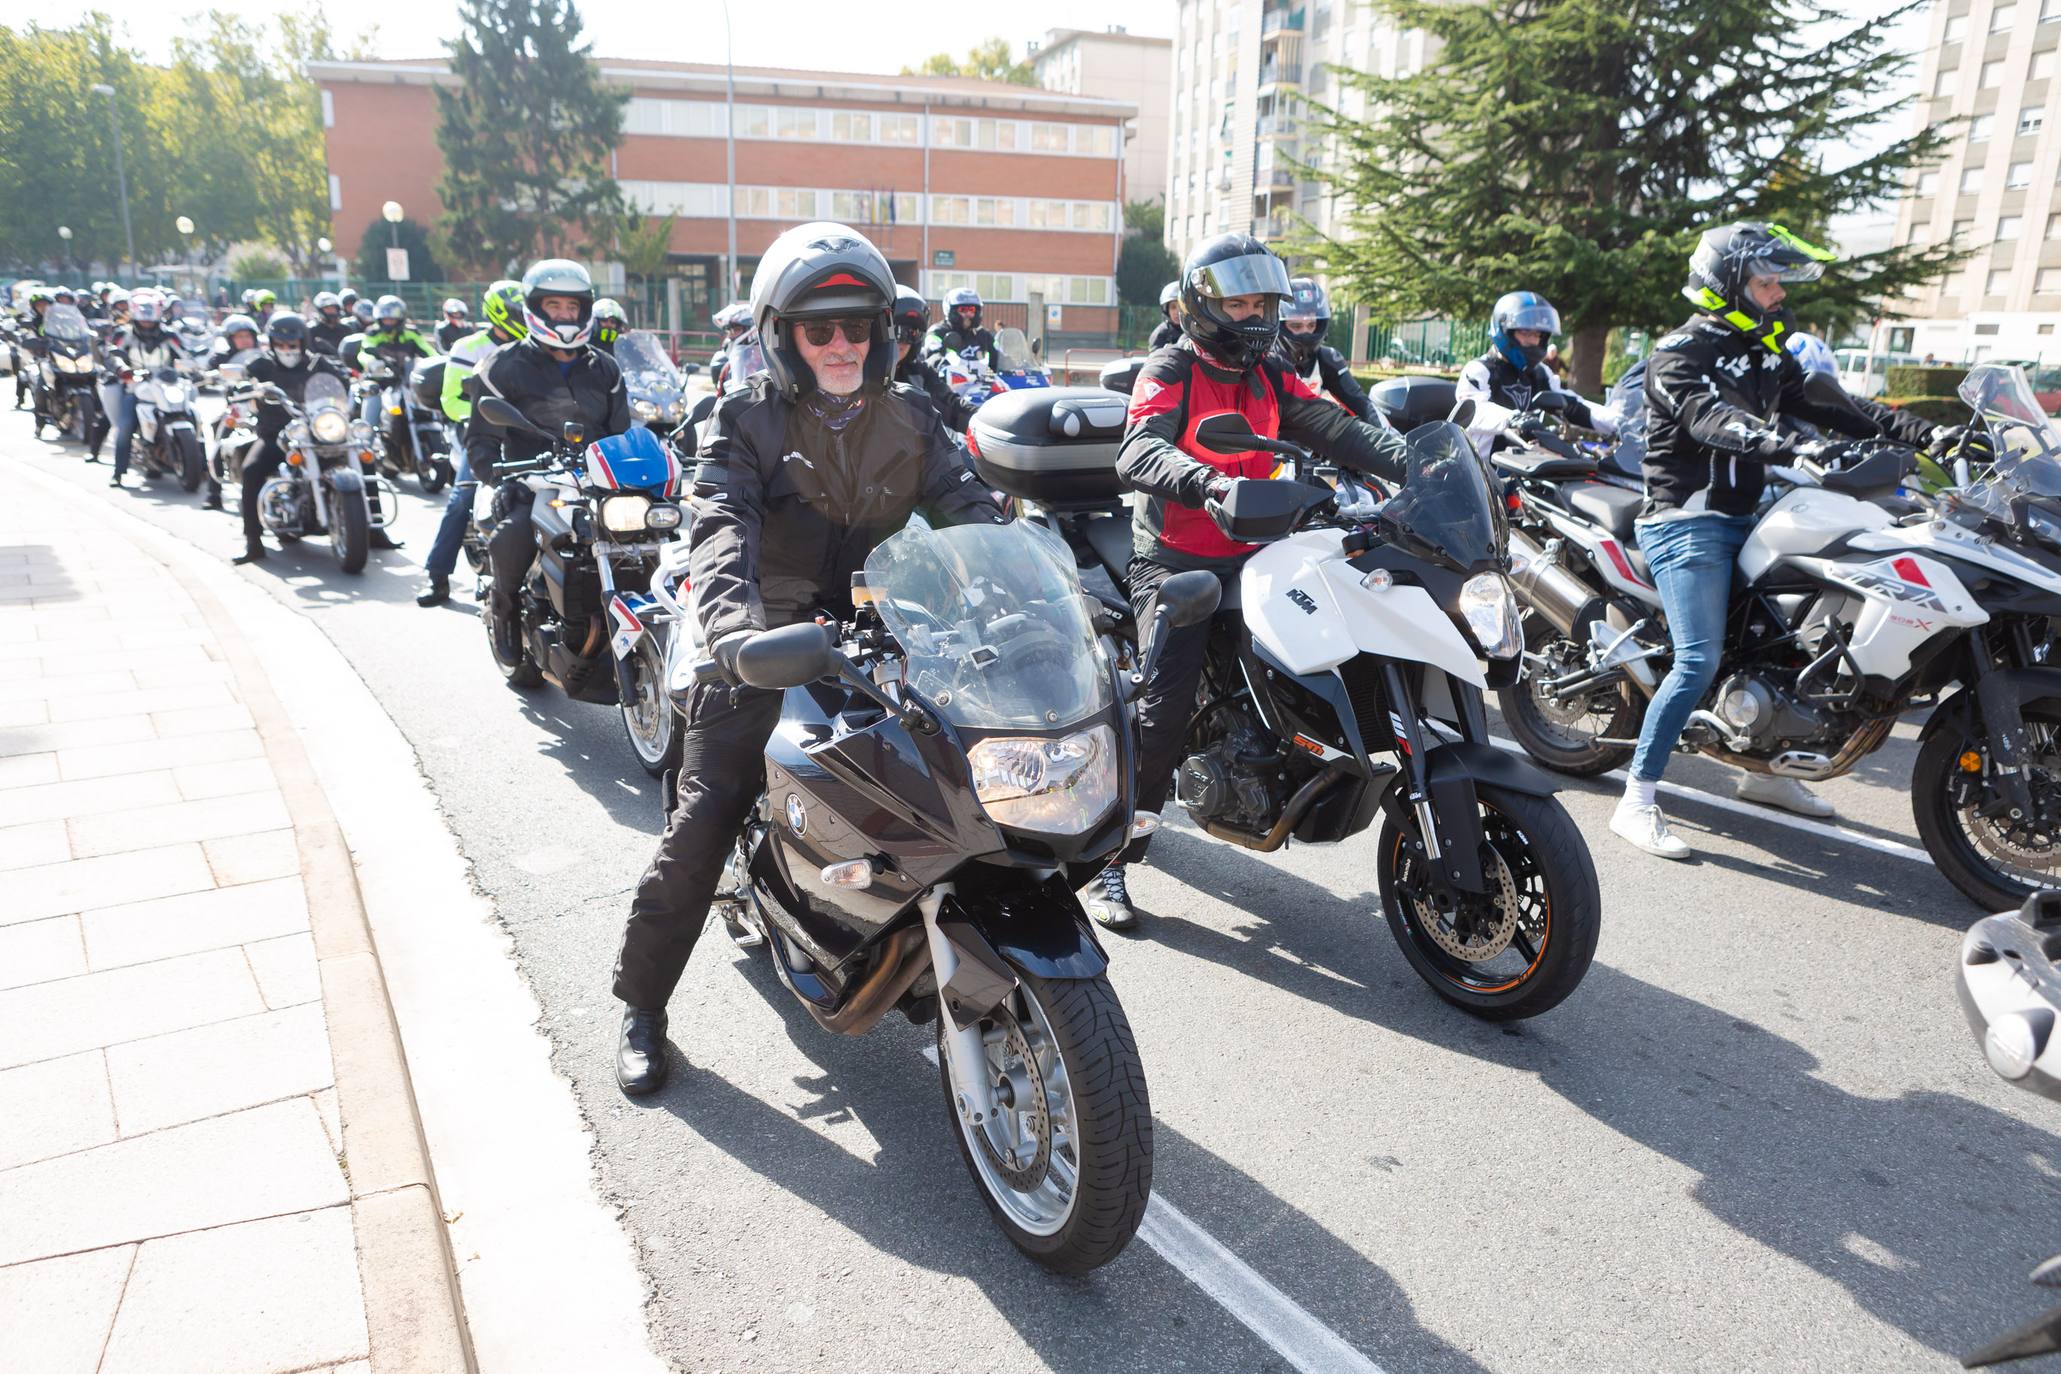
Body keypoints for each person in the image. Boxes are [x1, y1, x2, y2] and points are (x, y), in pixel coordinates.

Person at [610, 222, 1002, 1096]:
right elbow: (717, 527)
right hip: (767, 633)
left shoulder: (913, 416)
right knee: (705, 817)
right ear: (781, 335)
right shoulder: (742, 419)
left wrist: (1035, 596)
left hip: (891, 623)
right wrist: (732, 633)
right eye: (817, 329)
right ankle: (642, 1007)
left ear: (882, 333)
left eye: (855, 326)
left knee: (973, 774)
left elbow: (970, 508)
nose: (838, 344)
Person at [1613, 222, 1960, 858]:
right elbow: (1712, 420)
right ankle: (1636, 798)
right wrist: (1792, 442)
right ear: (1728, 284)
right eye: (1765, 281)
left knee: (1791, 647)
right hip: (1687, 522)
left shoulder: (1765, 352)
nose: (1777, 293)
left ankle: (1763, 775)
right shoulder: (1679, 353)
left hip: (1755, 517)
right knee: (1698, 659)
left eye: (1778, 283)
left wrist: (1930, 434)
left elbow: (1844, 407)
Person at [1095, 234, 1409, 931]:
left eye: (1261, 302)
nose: (1253, 317)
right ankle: (1113, 859)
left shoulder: (1268, 372)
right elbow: (1139, 446)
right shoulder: (1171, 365)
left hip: (1263, 549)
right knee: (1161, 711)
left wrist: (1423, 464)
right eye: (1237, 303)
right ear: (1204, 305)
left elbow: (1335, 425)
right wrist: (1204, 479)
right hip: (1178, 558)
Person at [468, 260, 631, 648]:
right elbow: (481, 441)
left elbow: (621, 433)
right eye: (555, 306)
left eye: (572, 307)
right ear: (536, 309)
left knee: (649, 535)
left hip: (596, 485)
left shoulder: (605, 368)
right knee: (514, 538)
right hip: (534, 481)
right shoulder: (502, 366)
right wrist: (501, 476)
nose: (564, 315)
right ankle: (503, 609)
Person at [416, 280, 526, 607]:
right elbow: (450, 400)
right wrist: (490, 418)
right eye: (516, 312)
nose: (522, 317)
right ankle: (437, 576)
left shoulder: (536, 347)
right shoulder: (469, 347)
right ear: (497, 312)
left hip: (527, 433)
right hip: (482, 433)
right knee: (463, 495)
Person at [229, 312, 350, 564]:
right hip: (276, 435)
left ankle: (375, 529)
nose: (287, 349)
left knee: (363, 457)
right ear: (271, 343)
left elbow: (342, 380)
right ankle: (253, 541)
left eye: (292, 345)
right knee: (251, 470)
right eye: (280, 345)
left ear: (303, 342)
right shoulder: (261, 365)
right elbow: (241, 381)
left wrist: (352, 383)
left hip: (317, 434)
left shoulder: (317, 363)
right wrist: (243, 387)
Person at [1457, 292, 1617, 436]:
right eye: (1525, 332)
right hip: (1481, 465)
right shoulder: (1479, 370)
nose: (1533, 341)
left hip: (1526, 462)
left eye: (1538, 334)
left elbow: (1572, 405)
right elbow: (1474, 410)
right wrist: (1514, 419)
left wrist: (1618, 422)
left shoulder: (1540, 373)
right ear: (1504, 330)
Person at [101, 289, 186, 487]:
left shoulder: (169, 335)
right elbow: (112, 355)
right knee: (125, 427)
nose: (147, 320)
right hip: (136, 390)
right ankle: (119, 471)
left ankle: (202, 467)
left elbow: (185, 354)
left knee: (190, 413)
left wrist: (192, 366)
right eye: (143, 315)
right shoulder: (125, 334)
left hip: (167, 388)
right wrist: (122, 368)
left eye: (151, 315)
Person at [1274, 277, 1375, 421]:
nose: (1306, 333)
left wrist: (1393, 440)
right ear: (1281, 326)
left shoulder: (1328, 358)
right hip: (1271, 440)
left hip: (1311, 436)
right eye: (1296, 326)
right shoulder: (1266, 361)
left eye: (1311, 325)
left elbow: (1362, 406)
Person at [889, 283, 977, 432]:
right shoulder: (857, 375)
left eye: (911, 333)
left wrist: (984, 421)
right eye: (895, 331)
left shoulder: (920, 373)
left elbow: (952, 406)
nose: (902, 340)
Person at [199, 312, 264, 509]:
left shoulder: (263, 356)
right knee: (220, 438)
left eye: (247, 336)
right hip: (237, 408)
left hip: (262, 405)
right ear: (231, 340)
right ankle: (214, 493)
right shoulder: (223, 357)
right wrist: (212, 374)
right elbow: (209, 370)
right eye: (239, 337)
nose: (244, 340)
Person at [923, 285, 999, 370]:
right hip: (946, 381)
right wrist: (944, 367)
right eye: (963, 310)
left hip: (982, 381)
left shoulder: (983, 334)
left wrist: (1008, 362)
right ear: (951, 310)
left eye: (972, 310)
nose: (968, 314)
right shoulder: (937, 332)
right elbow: (933, 356)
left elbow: (998, 356)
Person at [1147, 279, 1182, 350]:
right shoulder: (1160, 334)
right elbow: (1155, 359)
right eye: (1173, 307)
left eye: (1181, 307)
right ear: (1166, 310)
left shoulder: (1196, 332)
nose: (1177, 311)